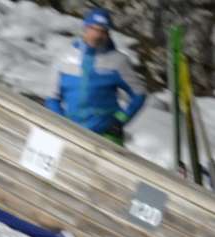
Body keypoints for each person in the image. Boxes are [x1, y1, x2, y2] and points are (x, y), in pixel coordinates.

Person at [44, 8, 146, 146]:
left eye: (102, 31)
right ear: (85, 28)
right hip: (71, 133)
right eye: (93, 28)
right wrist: (61, 122)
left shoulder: (118, 61)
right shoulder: (64, 56)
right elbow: (52, 98)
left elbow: (139, 94)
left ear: (108, 34)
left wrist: (120, 120)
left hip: (107, 136)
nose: (97, 35)